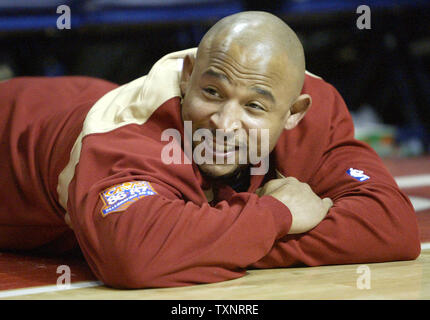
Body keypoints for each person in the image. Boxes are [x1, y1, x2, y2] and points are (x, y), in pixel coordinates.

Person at [0, 11, 420, 289]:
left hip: (73, 99)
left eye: (254, 106)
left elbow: (391, 227)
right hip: (15, 122)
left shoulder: (317, 109)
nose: (223, 122)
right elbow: (136, 258)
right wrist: (278, 216)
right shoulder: (123, 135)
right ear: (188, 77)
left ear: (294, 113)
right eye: (212, 92)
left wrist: (199, 240)